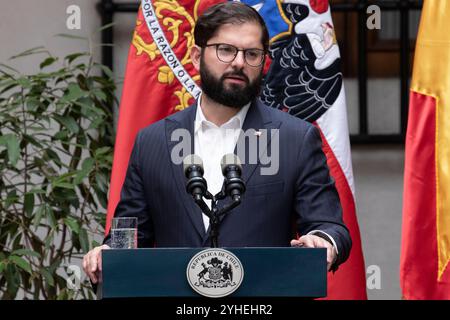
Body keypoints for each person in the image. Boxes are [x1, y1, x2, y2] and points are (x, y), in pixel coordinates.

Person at [83, 2, 351, 285]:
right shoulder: (153, 141)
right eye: (225, 50)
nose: (238, 62)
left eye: (251, 54)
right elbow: (131, 234)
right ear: (197, 56)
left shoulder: (295, 139)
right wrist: (110, 252)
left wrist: (323, 241)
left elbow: (329, 225)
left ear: (263, 62)